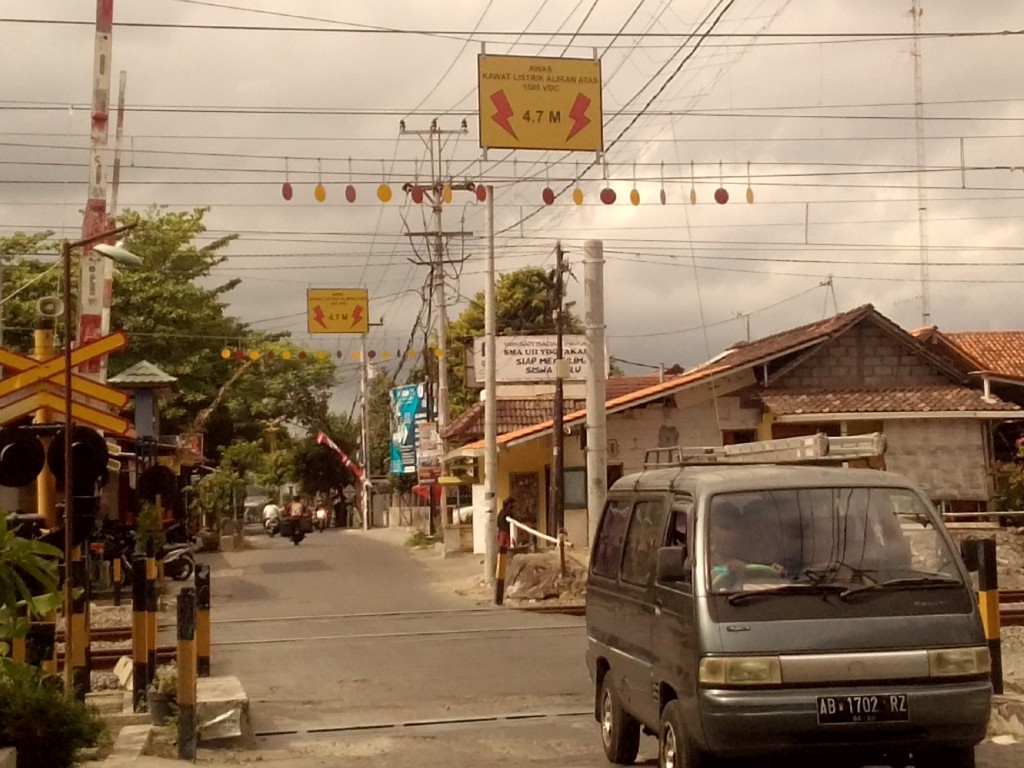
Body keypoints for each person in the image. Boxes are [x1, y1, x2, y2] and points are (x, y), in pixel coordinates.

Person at [708, 501, 783, 590]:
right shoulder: (703, 557)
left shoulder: (752, 554)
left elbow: (759, 571)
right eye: (726, 528)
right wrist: (727, 569)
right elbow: (709, 573)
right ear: (710, 532)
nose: (733, 534)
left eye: (736, 527)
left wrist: (775, 571)